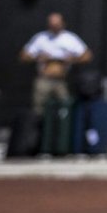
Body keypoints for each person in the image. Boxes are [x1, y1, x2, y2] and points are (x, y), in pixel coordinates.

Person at [19, 13, 90, 153]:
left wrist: (71, 60)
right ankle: (37, 144)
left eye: (56, 23)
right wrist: (38, 57)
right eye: (51, 23)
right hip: (43, 80)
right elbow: (24, 55)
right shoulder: (41, 38)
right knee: (39, 112)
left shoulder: (70, 39)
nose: (54, 26)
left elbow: (87, 55)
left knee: (64, 111)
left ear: (63, 23)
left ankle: (61, 145)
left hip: (61, 81)